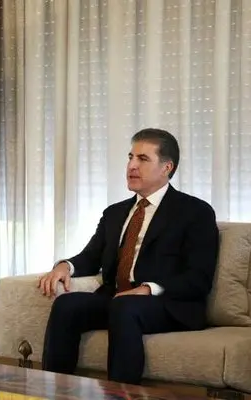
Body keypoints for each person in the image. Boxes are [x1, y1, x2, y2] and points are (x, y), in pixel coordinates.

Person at [37, 128, 219, 385]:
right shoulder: (115, 213)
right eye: (131, 157)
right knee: (67, 304)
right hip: (118, 299)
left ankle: (121, 394)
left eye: (143, 159)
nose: (132, 166)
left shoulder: (195, 212)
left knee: (125, 307)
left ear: (166, 167)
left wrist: (147, 289)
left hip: (168, 304)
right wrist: (65, 266)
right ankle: (55, 389)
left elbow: (199, 278)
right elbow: (91, 256)